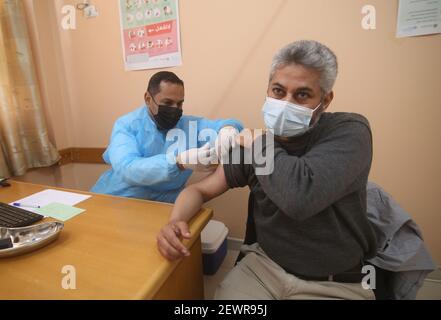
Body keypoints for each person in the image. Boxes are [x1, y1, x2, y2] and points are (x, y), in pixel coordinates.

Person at [156, 40, 379, 300]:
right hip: (264, 268)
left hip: (333, 282)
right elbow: (200, 190)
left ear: (326, 100)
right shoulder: (257, 145)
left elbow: (299, 197)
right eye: (278, 91)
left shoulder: (349, 131)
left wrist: (259, 143)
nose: (286, 103)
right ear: (267, 91)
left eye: (302, 95)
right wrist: (175, 221)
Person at [91, 71, 243, 203]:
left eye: (179, 104)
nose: (174, 110)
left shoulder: (187, 125)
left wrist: (228, 128)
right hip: (119, 198)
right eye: (167, 102)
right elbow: (128, 168)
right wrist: (178, 162)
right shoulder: (127, 125)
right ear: (148, 99)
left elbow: (223, 124)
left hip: (165, 204)